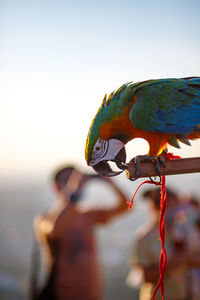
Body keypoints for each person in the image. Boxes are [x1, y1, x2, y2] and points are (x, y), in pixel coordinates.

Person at [32, 165, 129, 300]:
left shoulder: (86, 215)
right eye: (68, 181)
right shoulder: (45, 218)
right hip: (63, 294)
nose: (74, 184)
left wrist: (109, 181)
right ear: (57, 187)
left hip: (92, 293)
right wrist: (74, 191)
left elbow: (125, 206)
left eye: (75, 179)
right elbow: (56, 229)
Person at [127, 187, 200, 300]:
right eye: (164, 206)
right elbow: (146, 277)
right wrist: (178, 261)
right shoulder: (144, 238)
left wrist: (188, 258)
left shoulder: (186, 230)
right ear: (154, 208)